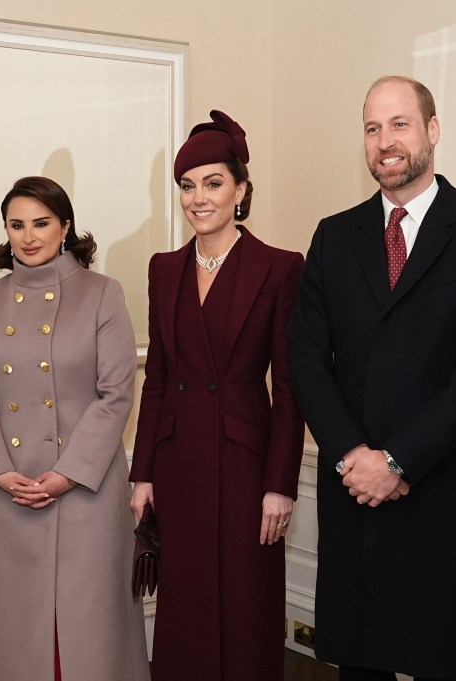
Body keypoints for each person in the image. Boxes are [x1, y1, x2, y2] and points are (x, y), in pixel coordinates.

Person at [288, 76, 456, 681]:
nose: (385, 141)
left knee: (436, 658)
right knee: (359, 661)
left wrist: (396, 461)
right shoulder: (334, 236)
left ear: (432, 131)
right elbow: (308, 358)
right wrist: (354, 456)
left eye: (399, 124)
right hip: (353, 487)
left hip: (441, 485)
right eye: (372, 128)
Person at [128, 110, 305, 680]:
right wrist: (143, 472)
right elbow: (157, 377)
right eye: (187, 185)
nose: (198, 198)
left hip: (246, 469)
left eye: (213, 183)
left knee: (245, 609)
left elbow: (291, 386)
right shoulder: (163, 270)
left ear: (241, 189)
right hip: (178, 466)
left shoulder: (280, 268)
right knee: (186, 614)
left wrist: (280, 485)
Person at [0, 176, 149, 681]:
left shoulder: (103, 293)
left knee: (91, 636)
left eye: (41, 222)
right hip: (12, 495)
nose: (28, 235)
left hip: (87, 491)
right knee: (22, 638)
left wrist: (68, 473)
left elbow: (115, 396)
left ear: (65, 227)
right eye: (16, 225)